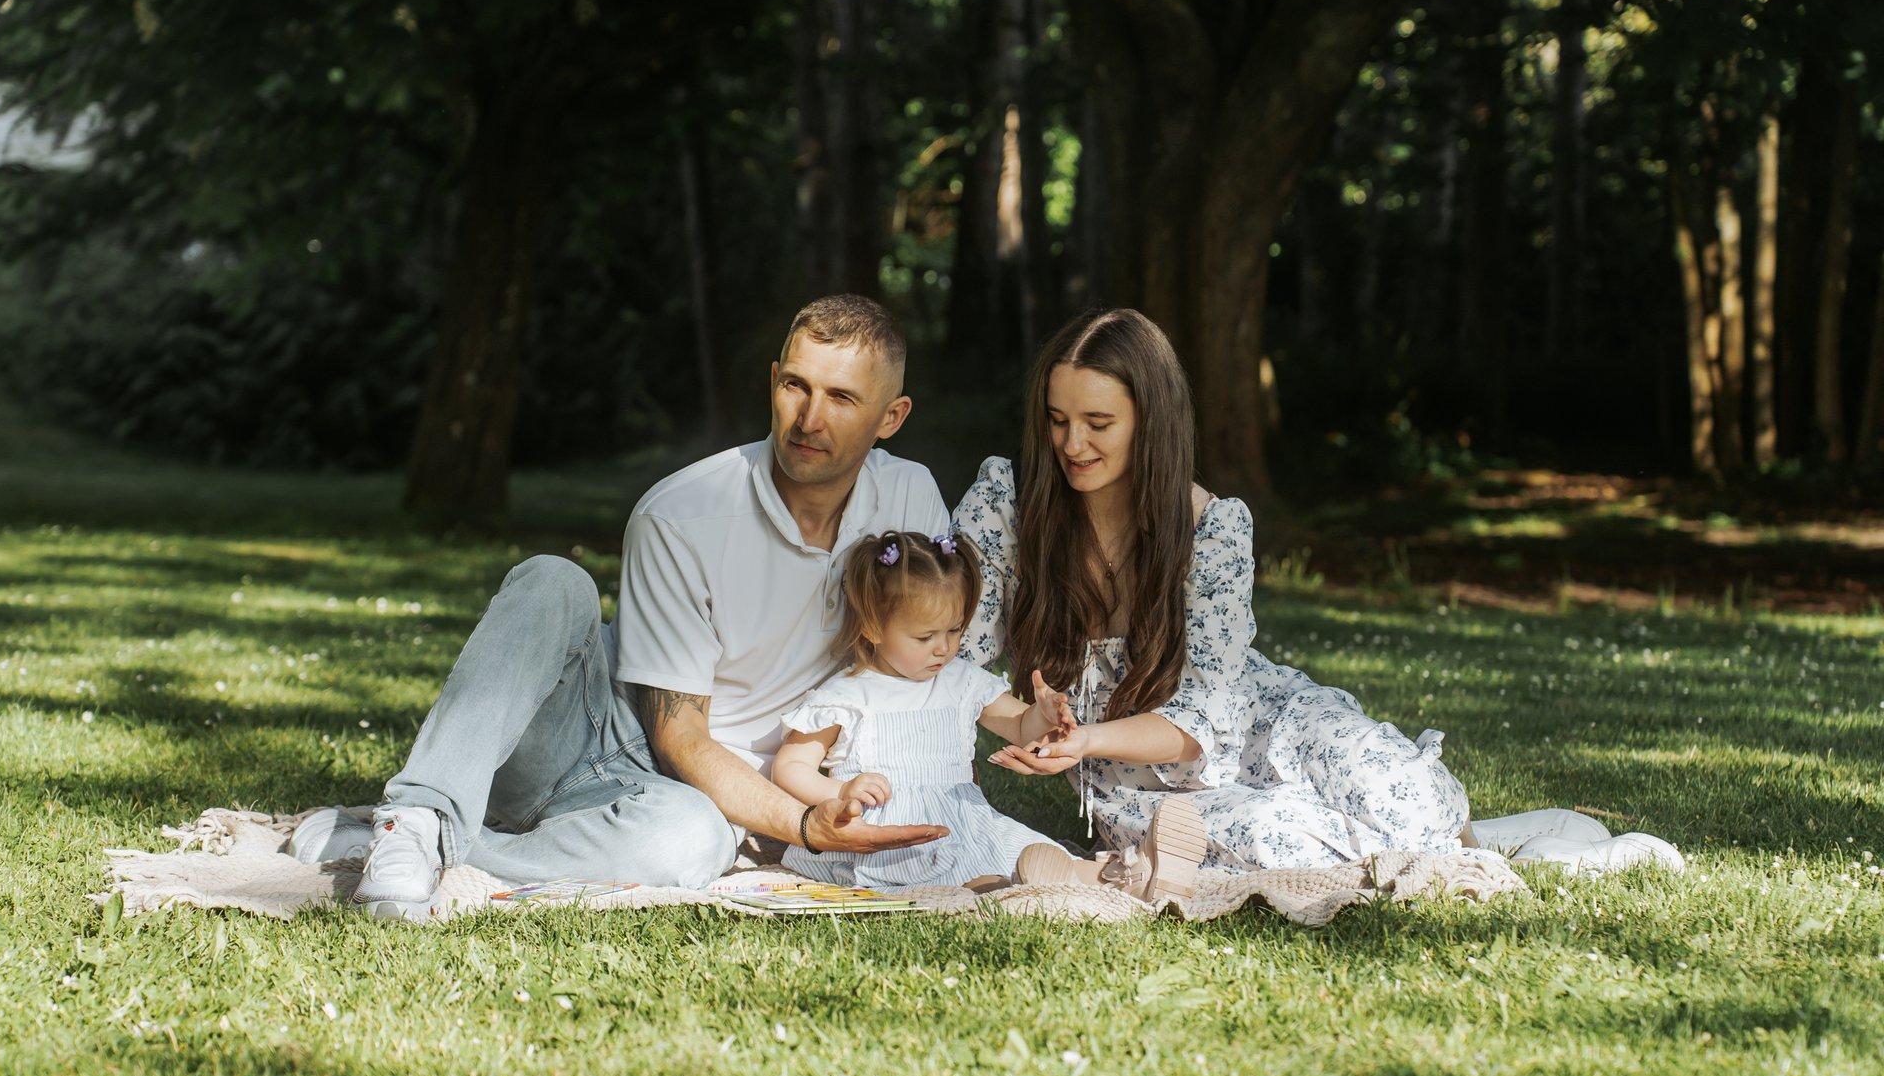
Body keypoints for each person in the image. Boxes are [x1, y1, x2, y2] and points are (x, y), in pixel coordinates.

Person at [956, 308, 1683, 880]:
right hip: (1136, 779)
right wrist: (1031, 726)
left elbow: (1202, 715)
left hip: (1247, 716)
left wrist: (1079, 734)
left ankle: (1471, 839)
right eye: (1056, 420)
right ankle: (1488, 856)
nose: (1072, 444)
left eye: (1098, 424)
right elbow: (952, 662)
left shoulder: (1211, 528)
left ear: (1151, 421)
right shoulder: (1007, 503)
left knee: (1396, 783)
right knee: (1279, 841)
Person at [291, 295, 955, 918]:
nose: (809, 420)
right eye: (796, 387)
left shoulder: (911, 501)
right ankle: (418, 817)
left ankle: (430, 849)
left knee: (692, 846)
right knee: (555, 579)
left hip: (681, 802)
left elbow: (927, 661)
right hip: (586, 732)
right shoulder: (684, 511)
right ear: (773, 380)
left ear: (890, 417)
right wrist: (802, 825)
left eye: (841, 398)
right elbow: (680, 736)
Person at [771, 529, 1084, 891]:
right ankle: (983, 889)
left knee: (1027, 848)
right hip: (889, 835)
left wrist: (1043, 716)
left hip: (966, 820)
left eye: (954, 631)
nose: (943, 648)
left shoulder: (961, 680)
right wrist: (841, 792)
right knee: (935, 865)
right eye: (925, 637)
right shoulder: (847, 697)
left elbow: (1018, 726)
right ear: (873, 627)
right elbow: (790, 767)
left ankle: (1113, 873)